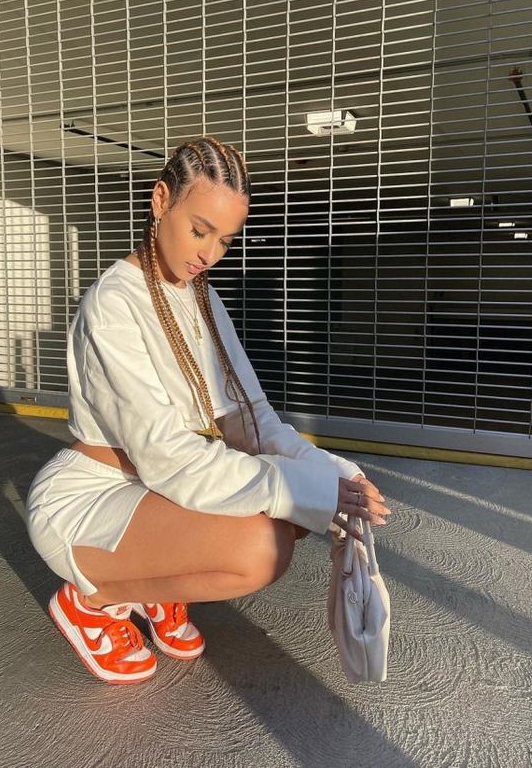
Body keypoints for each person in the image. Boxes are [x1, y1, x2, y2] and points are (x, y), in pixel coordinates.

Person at [26, 136, 391, 684]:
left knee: (295, 510)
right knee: (261, 547)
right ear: (161, 200)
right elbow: (168, 457)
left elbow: (250, 418)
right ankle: (92, 601)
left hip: (158, 489)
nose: (209, 254)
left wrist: (336, 475)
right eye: (199, 230)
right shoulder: (114, 303)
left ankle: (156, 586)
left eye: (224, 240)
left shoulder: (202, 295)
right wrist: (304, 487)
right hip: (93, 495)